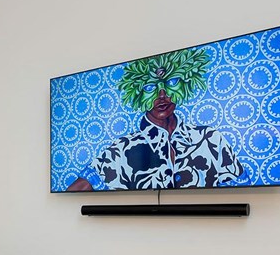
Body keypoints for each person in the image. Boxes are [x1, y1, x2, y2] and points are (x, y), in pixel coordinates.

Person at [66, 50, 243, 191]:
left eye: (172, 82)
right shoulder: (121, 149)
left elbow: (240, 191)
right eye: (150, 87)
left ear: (185, 84)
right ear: (138, 94)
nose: (162, 96)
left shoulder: (210, 138)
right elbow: (79, 188)